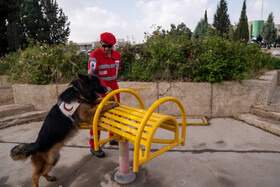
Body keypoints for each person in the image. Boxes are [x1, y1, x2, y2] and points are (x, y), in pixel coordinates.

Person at [87, 32, 121, 157]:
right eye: (105, 46)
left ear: (113, 46)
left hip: (114, 89)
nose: (107, 49)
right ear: (101, 43)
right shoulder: (95, 55)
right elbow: (92, 74)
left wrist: (112, 88)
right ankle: (94, 145)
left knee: (115, 114)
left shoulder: (117, 56)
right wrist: (104, 88)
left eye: (110, 46)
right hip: (100, 90)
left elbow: (117, 72)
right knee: (97, 118)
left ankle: (112, 137)